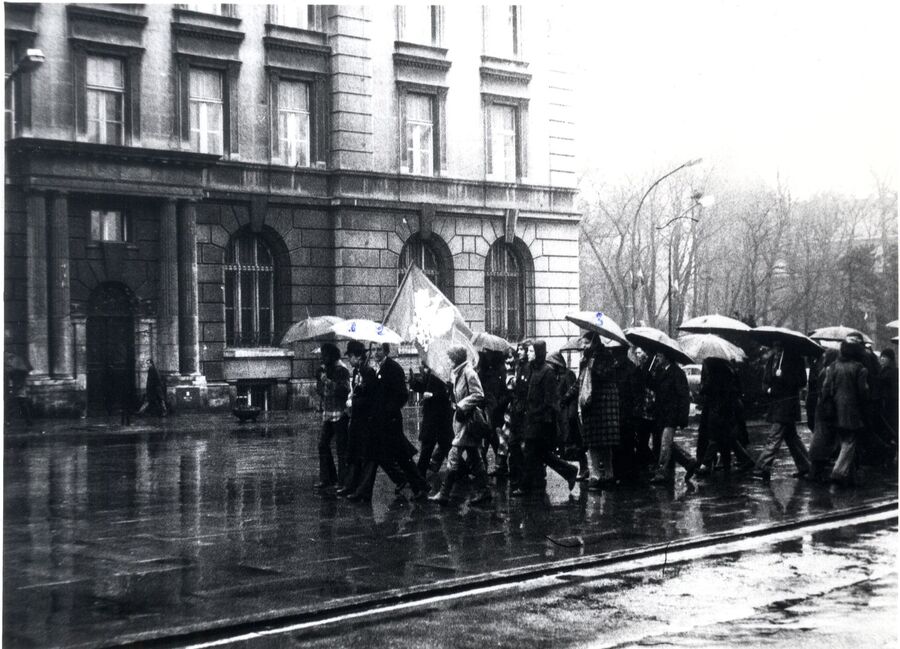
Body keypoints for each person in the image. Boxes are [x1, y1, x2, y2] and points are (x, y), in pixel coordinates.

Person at [348, 343, 428, 502]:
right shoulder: (376, 368)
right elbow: (375, 391)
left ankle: (421, 487)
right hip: (378, 421)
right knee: (374, 456)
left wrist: (388, 410)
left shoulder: (393, 368)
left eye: (379, 350)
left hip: (389, 422)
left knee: (402, 457)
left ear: (386, 351)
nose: (376, 353)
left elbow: (401, 395)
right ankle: (363, 492)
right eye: (374, 350)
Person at [429, 345, 492, 506]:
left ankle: (444, 493)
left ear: (456, 358)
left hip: (468, 421)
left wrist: (462, 405)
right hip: (462, 421)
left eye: (450, 358)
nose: (448, 361)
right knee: (475, 458)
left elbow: (479, 394)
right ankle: (485, 491)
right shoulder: (457, 373)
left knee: (454, 454)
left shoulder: (469, 373)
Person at [513, 340, 577, 496]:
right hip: (530, 418)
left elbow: (550, 400)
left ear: (539, 353)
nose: (529, 354)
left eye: (532, 351)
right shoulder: (531, 369)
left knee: (530, 451)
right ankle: (569, 471)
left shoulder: (547, 372)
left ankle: (525, 486)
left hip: (541, 420)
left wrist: (537, 412)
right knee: (540, 453)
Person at [752, 341, 811, 481]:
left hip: (788, 404)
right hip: (776, 403)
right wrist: (768, 388)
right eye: (775, 344)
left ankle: (762, 467)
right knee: (792, 438)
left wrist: (783, 377)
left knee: (775, 436)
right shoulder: (772, 359)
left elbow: (802, 381)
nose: (776, 346)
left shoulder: (795, 359)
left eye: (779, 344)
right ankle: (807, 467)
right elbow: (766, 380)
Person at [815, 339, 869, 486]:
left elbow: (826, 388)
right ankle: (838, 472)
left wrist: (827, 403)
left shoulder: (833, 366)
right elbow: (863, 391)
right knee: (850, 441)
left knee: (843, 439)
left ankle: (849, 476)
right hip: (852, 410)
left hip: (835, 409)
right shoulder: (860, 368)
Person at [694, 357, 755, 473]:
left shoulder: (714, 373)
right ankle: (745, 460)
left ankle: (705, 464)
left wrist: (702, 389)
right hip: (725, 409)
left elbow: (709, 388)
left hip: (717, 409)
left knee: (714, 437)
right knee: (728, 437)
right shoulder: (728, 370)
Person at [576, 335, 621, 490]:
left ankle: (607, 475)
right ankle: (596, 475)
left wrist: (593, 364)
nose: (583, 346)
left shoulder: (606, 357)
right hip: (591, 407)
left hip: (604, 406)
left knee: (605, 443)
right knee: (593, 443)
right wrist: (566, 398)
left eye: (586, 343)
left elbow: (605, 374)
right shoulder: (585, 360)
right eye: (582, 343)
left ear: (594, 342)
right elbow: (580, 382)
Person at [649, 350, 698, 484]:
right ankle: (689, 462)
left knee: (665, 444)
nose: (657, 357)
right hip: (661, 414)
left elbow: (683, 397)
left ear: (666, 356)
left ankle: (661, 473)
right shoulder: (660, 371)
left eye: (659, 355)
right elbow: (655, 387)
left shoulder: (677, 373)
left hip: (671, 414)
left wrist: (682, 417)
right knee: (667, 443)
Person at [337, 341, 378, 498]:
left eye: (351, 357)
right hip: (355, 419)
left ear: (359, 357)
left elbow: (370, 398)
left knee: (365, 455)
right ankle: (351, 485)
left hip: (366, 420)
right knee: (353, 453)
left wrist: (354, 401)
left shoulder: (369, 373)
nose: (349, 360)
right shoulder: (356, 372)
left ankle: (363, 490)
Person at [314, 343, 351, 492]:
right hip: (328, 413)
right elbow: (321, 390)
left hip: (340, 413)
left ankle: (343, 481)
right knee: (323, 445)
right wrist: (321, 380)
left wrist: (329, 383)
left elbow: (344, 390)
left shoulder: (341, 370)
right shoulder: (326, 369)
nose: (322, 358)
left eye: (324, 355)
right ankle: (327, 477)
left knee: (341, 449)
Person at [547, 350, 589, 480]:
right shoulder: (553, 376)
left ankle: (584, 467)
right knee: (563, 443)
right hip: (559, 414)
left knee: (576, 443)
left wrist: (571, 415)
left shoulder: (568, 375)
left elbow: (573, 394)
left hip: (568, 415)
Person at [409, 362, 453, 478]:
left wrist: (431, 395)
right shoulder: (432, 372)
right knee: (444, 444)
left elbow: (445, 392)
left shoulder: (440, 372)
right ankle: (461, 470)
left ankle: (419, 475)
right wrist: (413, 382)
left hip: (438, 415)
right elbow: (425, 387)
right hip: (434, 415)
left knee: (428, 444)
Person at [878, 348, 898, 447]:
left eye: (885, 357)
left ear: (890, 359)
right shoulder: (882, 370)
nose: (882, 359)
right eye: (881, 356)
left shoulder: (893, 371)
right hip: (885, 401)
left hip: (890, 402)